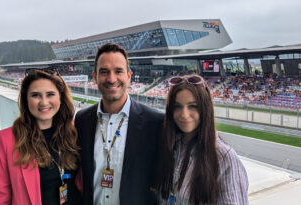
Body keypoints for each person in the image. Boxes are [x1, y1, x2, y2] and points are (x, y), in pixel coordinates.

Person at [74, 43, 164, 205]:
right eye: (104, 72)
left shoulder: (155, 122)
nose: (111, 78)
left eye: (118, 71)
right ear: (94, 77)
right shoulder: (82, 119)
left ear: (129, 76)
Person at [0, 70, 81, 205]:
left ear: (60, 97)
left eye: (50, 94)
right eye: (35, 95)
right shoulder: (6, 141)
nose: (44, 102)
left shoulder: (75, 129)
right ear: (26, 99)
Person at [155, 75, 248, 205]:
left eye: (192, 106)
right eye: (177, 106)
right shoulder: (170, 146)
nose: (184, 114)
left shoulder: (224, 157)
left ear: (204, 109)